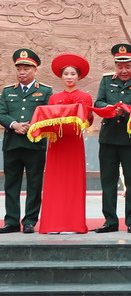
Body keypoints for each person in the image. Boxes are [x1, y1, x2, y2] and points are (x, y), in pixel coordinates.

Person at [93, 44, 131, 234]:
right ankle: (110, 221)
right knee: (108, 182)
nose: (124, 71)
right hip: (108, 138)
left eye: (127, 67)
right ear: (115, 66)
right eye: (120, 66)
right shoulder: (106, 80)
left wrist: (124, 111)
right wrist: (110, 109)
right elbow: (98, 102)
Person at [36, 53, 93, 234]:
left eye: (72, 74)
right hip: (56, 143)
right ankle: (53, 224)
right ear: (61, 77)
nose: (69, 77)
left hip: (74, 143)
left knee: (73, 182)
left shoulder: (85, 97)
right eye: (66, 74)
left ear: (79, 77)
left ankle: (73, 224)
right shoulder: (54, 98)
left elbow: (88, 120)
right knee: (55, 183)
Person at [0, 49, 53, 234]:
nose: (22, 72)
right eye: (19, 69)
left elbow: (48, 114)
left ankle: (30, 220)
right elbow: (1, 113)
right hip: (12, 144)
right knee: (11, 184)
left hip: (34, 144)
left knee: (34, 184)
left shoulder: (45, 91)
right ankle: (11, 221)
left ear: (35, 70)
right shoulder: (8, 91)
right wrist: (14, 124)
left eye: (26, 69)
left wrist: (32, 125)